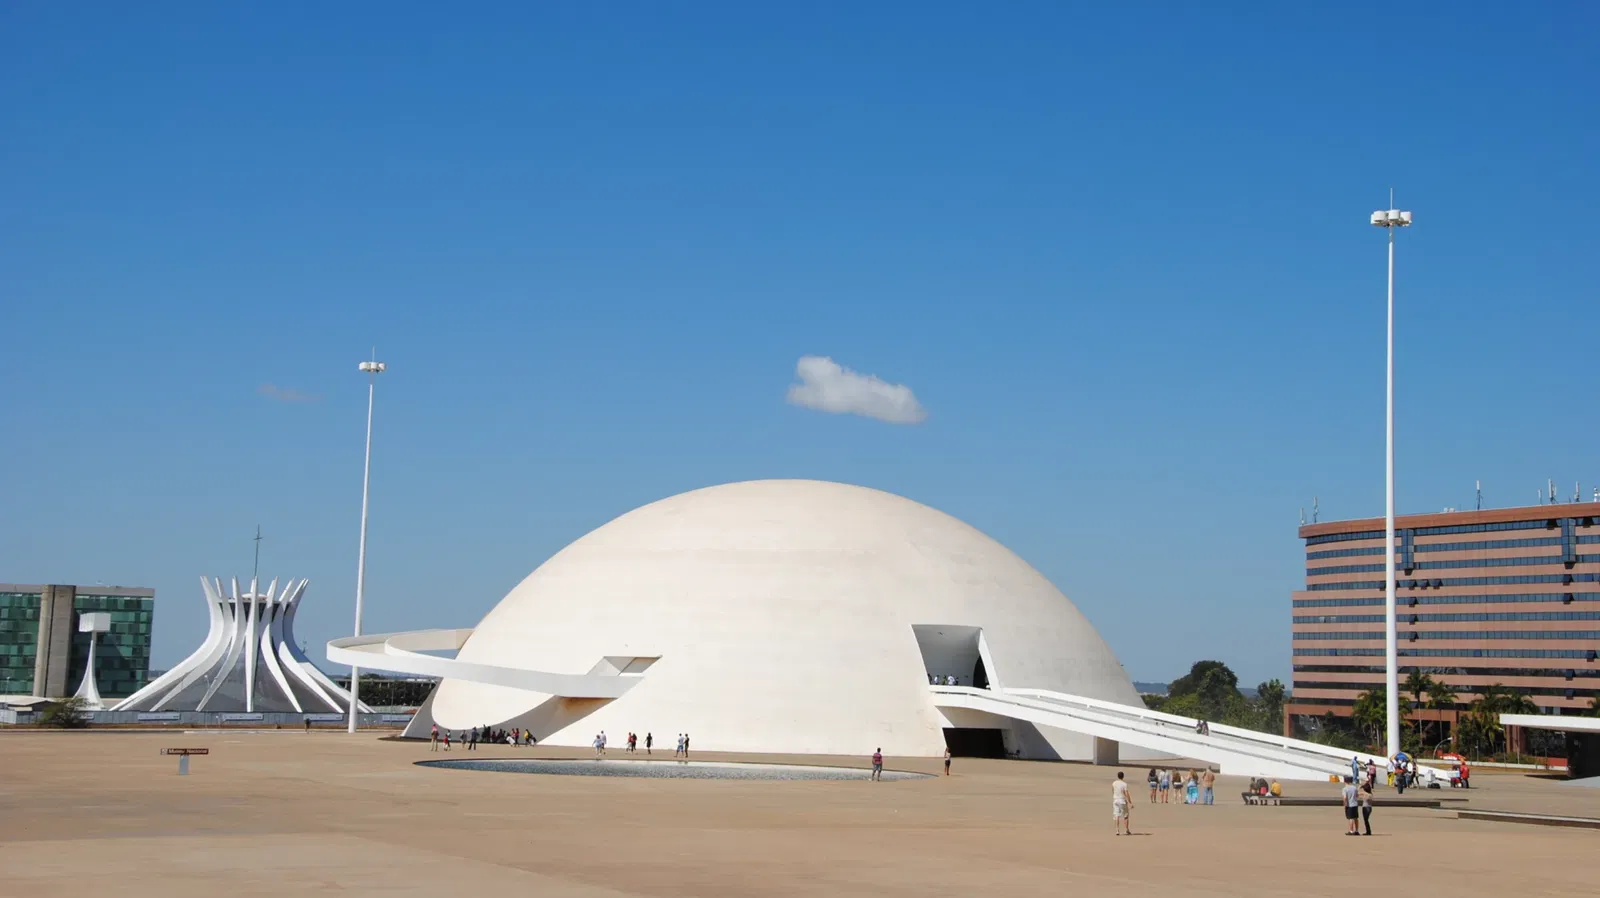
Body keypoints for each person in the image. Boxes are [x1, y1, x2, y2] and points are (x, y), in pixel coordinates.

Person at [1113, 771, 1132, 836]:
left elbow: (1113, 791)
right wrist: (1130, 802)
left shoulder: (1114, 783)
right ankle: (1126, 829)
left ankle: (1117, 830)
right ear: (1123, 776)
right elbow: (1126, 793)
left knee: (1117, 815)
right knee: (1125, 815)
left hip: (1116, 800)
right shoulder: (1124, 784)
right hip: (1122, 800)